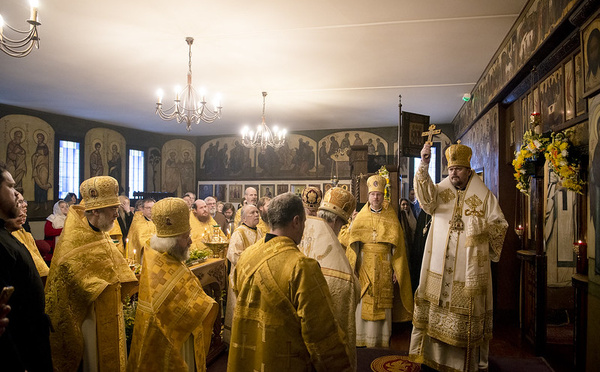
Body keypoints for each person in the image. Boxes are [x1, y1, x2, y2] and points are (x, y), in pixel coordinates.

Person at [409, 141, 508, 372]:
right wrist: (423, 164)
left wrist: (479, 227)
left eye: (459, 169)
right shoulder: (441, 191)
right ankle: (431, 358)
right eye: (451, 169)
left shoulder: (484, 196)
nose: (454, 173)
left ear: (468, 170)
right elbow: (425, 199)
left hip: (467, 272)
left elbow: (500, 225)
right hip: (437, 268)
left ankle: (462, 364)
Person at [227, 193, 352, 372]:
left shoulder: (247, 256)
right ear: (296, 221)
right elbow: (321, 333)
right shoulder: (302, 266)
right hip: (284, 362)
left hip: (248, 359)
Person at [45, 175, 137, 372]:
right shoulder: (73, 241)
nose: (117, 212)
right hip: (90, 318)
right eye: (113, 208)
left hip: (112, 311)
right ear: (95, 210)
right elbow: (69, 277)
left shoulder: (100, 232)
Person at [127, 198, 218, 371]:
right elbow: (178, 306)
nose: (190, 241)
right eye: (186, 237)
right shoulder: (160, 265)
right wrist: (207, 303)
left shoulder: (166, 256)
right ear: (173, 241)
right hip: (173, 342)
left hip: (181, 335)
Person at [347, 174, 413, 347]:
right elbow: (353, 244)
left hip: (385, 266)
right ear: (368, 196)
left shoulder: (391, 217)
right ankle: (362, 341)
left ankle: (381, 342)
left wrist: (396, 271)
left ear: (383, 196)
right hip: (364, 265)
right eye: (373, 194)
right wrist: (353, 266)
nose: (376, 197)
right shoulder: (359, 217)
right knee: (363, 302)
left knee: (383, 304)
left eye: (379, 194)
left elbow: (397, 248)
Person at [298, 186, 359, 370]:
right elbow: (349, 287)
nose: (340, 231)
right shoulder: (333, 250)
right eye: (341, 226)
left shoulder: (303, 229)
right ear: (335, 223)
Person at [0, 165, 53, 371]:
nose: (16, 193)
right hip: (23, 348)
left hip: (32, 338)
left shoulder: (6, 235)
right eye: (10, 186)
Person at [223, 204, 262, 344]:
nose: (257, 214)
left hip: (256, 276)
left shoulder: (260, 232)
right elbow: (233, 255)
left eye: (257, 212)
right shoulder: (239, 233)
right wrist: (253, 264)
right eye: (252, 212)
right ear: (244, 218)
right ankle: (235, 340)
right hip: (240, 278)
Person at [8, 192, 49, 281]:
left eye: (24, 201)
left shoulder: (25, 233)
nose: (25, 204)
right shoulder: (11, 234)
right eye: (20, 201)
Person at [126, 198, 156, 263]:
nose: (151, 210)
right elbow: (140, 239)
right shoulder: (138, 222)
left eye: (153, 207)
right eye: (148, 208)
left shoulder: (159, 221)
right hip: (144, 253)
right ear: (142, 209)